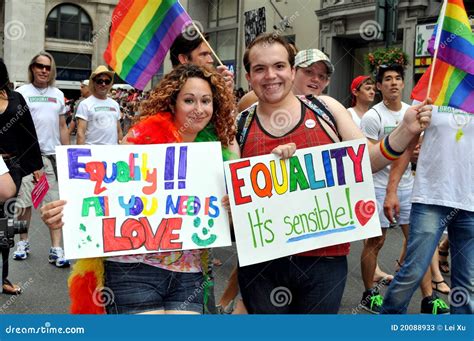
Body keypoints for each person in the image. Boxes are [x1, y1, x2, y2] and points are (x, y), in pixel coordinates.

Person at [235, 33, 432, 314]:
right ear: (248, 77)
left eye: (279, 66)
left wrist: (405, 131)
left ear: (291, 71)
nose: (271, 75)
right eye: (260, 69)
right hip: (263, 265)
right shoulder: (240, 125)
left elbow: (367, 159)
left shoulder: (327, 110)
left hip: (324, 261)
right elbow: (225, 192)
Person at [41, 64, 239, 314]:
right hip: (132, 270)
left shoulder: (217, 147)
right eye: (189, 100)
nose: (199, 109)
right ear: (172, 102)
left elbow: (232, 201)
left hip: (188, 273)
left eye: (206, 101)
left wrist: (231, 208)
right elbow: (104, 191)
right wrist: (63, 213)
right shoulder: (143, 138)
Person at [382, 103, 473, 314]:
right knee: (412, 272)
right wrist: (392, 189)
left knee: (466, 282)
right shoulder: (433, 92)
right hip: (431, 197)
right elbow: (408, 143)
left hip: (469, 202)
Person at [14, 51, 70, 267]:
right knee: (23, 204)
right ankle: (23, 243)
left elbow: (63, 126)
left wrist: (69, 155)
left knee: (54, 204)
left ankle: (56, 248)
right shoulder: (21, 93)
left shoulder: (57, 94)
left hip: (51, 157)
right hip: (27, 158)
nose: (44, 70)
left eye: (48, 67)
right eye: (39, 66)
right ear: (32, 68)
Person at [0, 58, 44, 295]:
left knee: (5, 225)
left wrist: (35, 166)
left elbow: (28, 132)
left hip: (12, 168)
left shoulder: (16, 99)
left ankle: (3, 278)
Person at [76, 66, 122, 145]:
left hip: (112, 154)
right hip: (93, 154)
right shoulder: (85, 104)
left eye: (107, 81)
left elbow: (119, 131)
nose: (103, 84)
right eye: (100, 81)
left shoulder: (115, 104)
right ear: (94, 82)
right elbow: (80, 133)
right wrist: (81, 155)